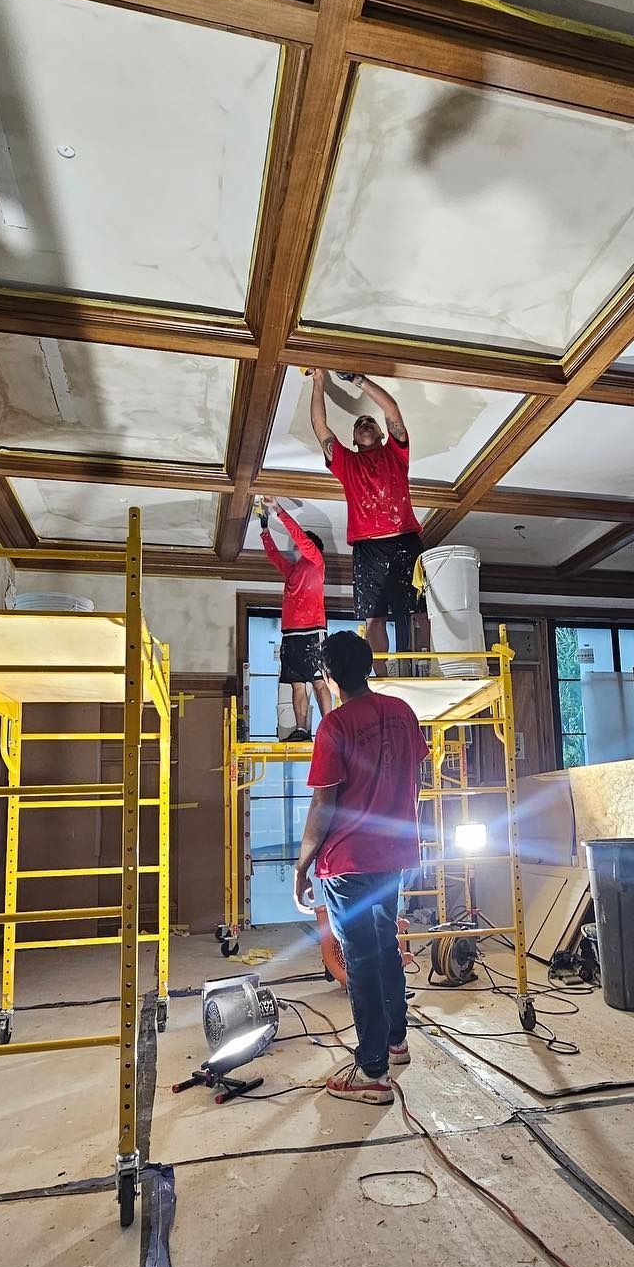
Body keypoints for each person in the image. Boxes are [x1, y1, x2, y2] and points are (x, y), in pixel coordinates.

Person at [294, 630, 428, 1105]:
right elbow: (415, 775)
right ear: (369, 666)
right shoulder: (404, 713)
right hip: (395, 854)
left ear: (329, 676)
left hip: (348, 862)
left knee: (363, 958)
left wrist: (301, 864)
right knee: (385, 945)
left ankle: (371, 1072)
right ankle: (396, 1042)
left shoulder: (334, 726)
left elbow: (323, 807)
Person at [309, 368, 422, 667]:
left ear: (383, 434)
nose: (364, 423)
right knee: (375, 617)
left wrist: (359, 380)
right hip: (367, 549)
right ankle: (382, 677)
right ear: (354, 440)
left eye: (369, 420)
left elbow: (391, 409)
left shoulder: (396, 454)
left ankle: (416, 669)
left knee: (415, 610)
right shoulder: (347, 464)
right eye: (359, 424)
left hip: (404, 542)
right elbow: (320, 427)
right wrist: (319, 381)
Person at [257, 498, 332, 740]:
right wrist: (264, 528)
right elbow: (273, 556)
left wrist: (278, 509)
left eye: (301, 544)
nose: (296, 546)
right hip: (290, 634)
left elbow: (300, 536)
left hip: (313, 631)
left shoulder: (316, 561)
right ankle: (302, 730)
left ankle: (330, 726)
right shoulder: (292, 569)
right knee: (296, 683)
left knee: (319, 680)